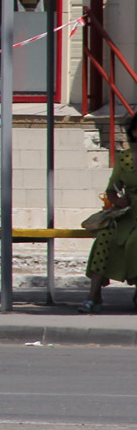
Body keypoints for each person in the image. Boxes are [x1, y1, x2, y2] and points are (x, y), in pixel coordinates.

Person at [80, 112, 137, 313]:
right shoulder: (125, 159)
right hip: (128, 214)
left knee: (134, 242)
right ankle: (93, 294)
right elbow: (111, 190)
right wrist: (119, 201)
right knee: (104, 238)